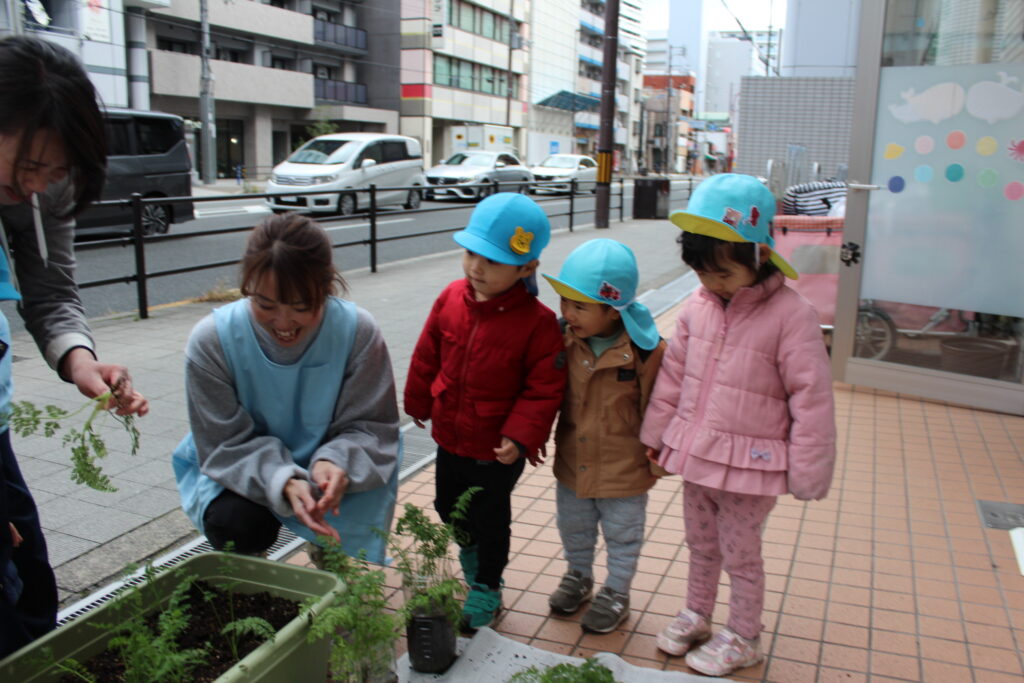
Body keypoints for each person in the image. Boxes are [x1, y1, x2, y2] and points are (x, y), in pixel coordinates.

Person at [640, 174, 835, 677]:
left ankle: (745, 635)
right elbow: (674, 377)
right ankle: (698, 614)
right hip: (697, 451)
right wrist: (655, 437)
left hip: (752, 461)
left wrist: (809, 469)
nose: (712, 284)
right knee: (700, 543)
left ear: (761, 256)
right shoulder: (697, 308)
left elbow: (811, 398)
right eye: (704, 274)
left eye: (724, 273)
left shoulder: (794, 315)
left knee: (740, 553)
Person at [0, 35, 149, 658]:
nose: (38, 187)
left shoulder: (42, 187)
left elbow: (50, 286)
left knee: (32, 588)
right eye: (30, 166)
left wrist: (80, 362)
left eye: (55, 173)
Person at [172, 214, 401, 565]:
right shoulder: (212, 341)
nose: (283, 323)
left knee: (335, 497)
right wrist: (282, 481)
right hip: (248, 466)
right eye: (265, 305)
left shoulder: (357, 332)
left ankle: (330, 556)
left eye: (301, 307)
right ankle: (254, 569)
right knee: (236, 522)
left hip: (330, 461)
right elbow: (222, 443)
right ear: (247, 285)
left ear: (327, 289)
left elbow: (372, 426)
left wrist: (335, 461)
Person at [404, 193, 566, 632]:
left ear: (526, 267)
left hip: (497, 448)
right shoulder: (451, 298)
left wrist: (520, 436)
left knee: (490, 518)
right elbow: (426, 353)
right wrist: (418, 400)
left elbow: (543, 389)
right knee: (447, 505)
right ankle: (472, 560)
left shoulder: (538, 322)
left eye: (492, 260)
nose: (476, 267)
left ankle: (486, 586)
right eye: (472, 252)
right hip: (450, 435)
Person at [541, 238, 667, 634]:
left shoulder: (646, 351)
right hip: (573, 462)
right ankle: (578, 575)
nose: (567, 313)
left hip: (625, 469)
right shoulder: (562, 339)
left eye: (580, 306)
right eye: (564, 301)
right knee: (573, 526)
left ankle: (616, 591)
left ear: (614, 311)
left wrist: (659, 453)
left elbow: (660, 406)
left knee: (623, 535)